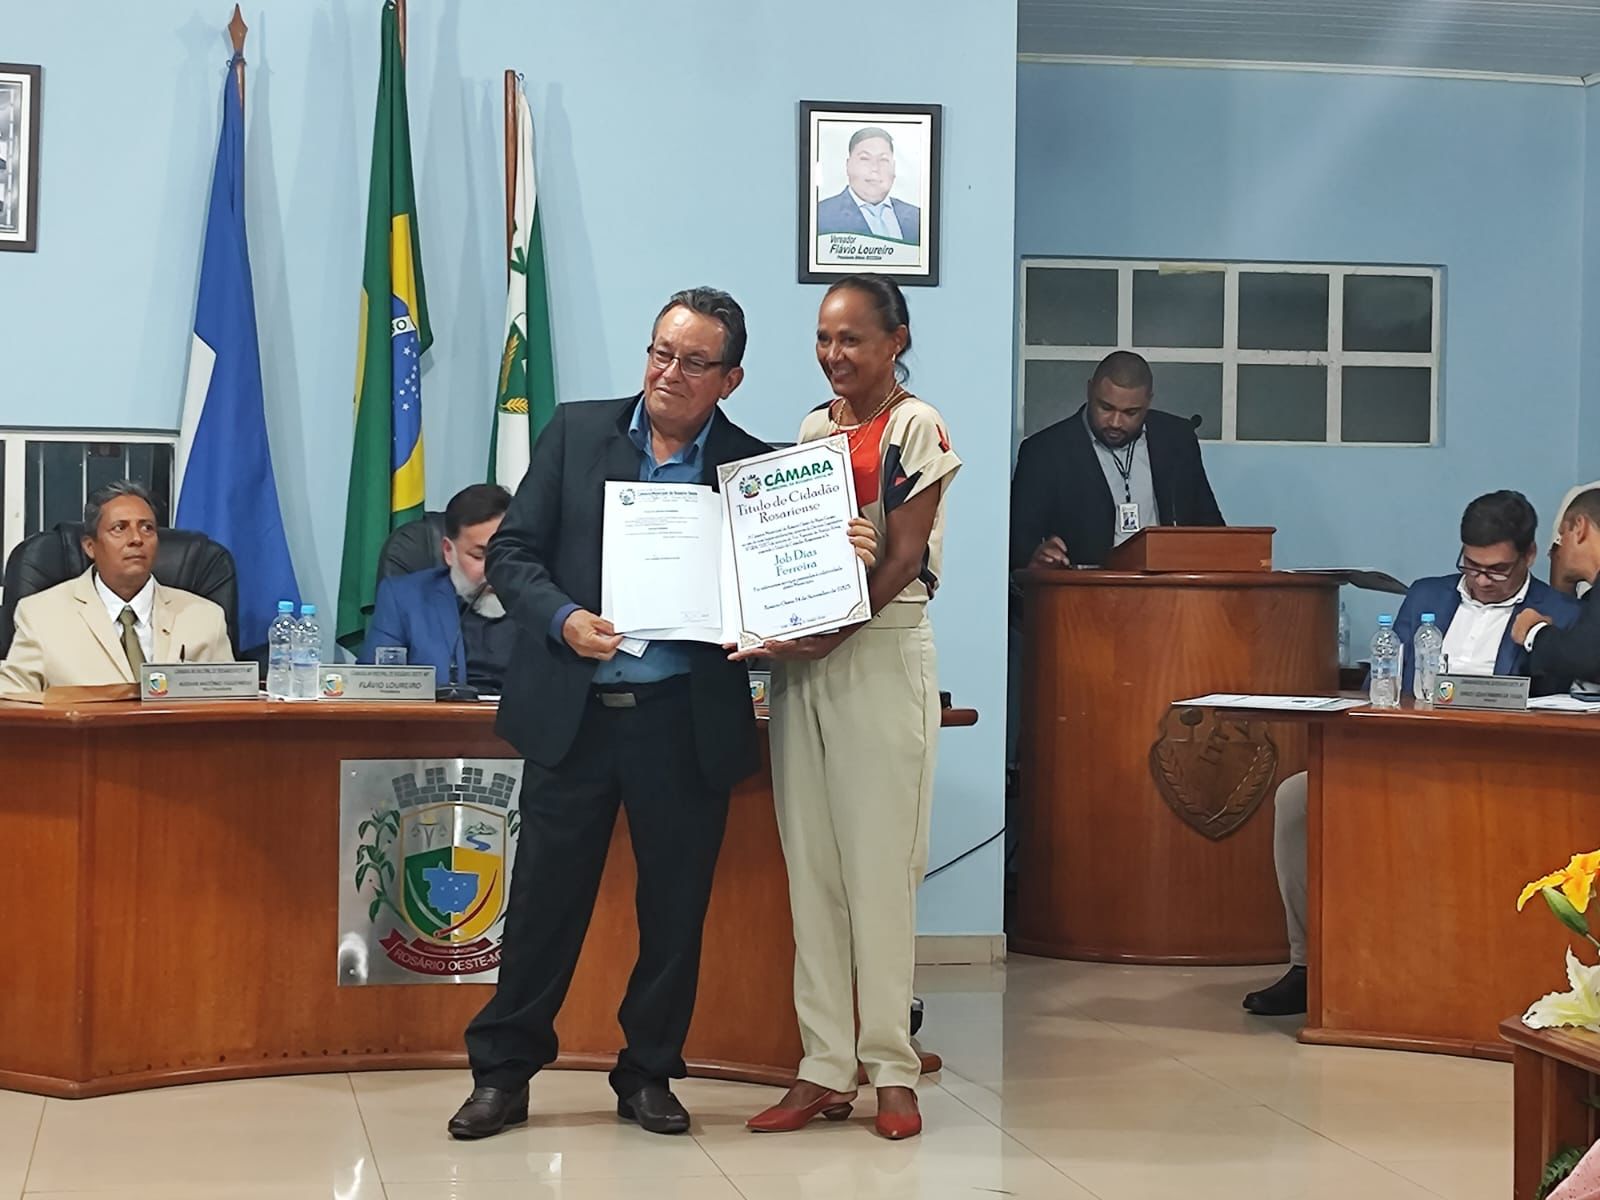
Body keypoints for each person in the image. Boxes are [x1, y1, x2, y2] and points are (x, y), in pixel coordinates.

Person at [447, 288, 875, 1141]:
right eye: (660, 353)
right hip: (575, 715)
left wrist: (846, 551)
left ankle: (647, 1073)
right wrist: (565, 619)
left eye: (694, 362)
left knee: (674, 915)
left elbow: (791, 593)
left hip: (681, 720)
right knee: (542, 907)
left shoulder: (756, 471)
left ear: (731, 378)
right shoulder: (577, 432)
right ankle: (502, 1074)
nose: (669, 373)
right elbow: (514, 553)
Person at [737, 274, 958, 1142]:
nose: (834, 354)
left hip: (877, 646)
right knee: (814, 871)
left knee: (880, 871)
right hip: (805, 661)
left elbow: (901, 558)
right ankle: (824, 1066)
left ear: (896, 340)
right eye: (824, 338)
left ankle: (892, 1070)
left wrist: (835, 618)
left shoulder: (916, 425)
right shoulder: (811, 432)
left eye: (852, 338)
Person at [1244, 490, 1581, 1017]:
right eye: (1471, 566)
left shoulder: (1559, 614)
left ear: (1529, 555)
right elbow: (1386, 683)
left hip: (1498, 771)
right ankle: (1310, 965)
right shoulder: (1429, 594)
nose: (1481, 581)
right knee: (1297, 797)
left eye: (1496, 570)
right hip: (1404, 756)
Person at [0, 481, 233, 694]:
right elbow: (12, 702)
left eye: (147, 528)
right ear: (90, 546)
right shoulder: (41, 615)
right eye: (119, 528)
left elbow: (230, 705)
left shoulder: (205, 617)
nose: (136, 539)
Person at [1010, 351, 1223, 571]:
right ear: (1089, 390)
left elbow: (1213, 532)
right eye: (1106, 407)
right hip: (1086, 588)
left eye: (1131, 412)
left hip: (1168, 586)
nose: (1115, 422)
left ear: (1148, 401)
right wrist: (1039, 558)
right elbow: (1018, 549)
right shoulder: (1044, 452)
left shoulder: (1177, 440)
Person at [361, 483, 514, 690]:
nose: (494, 569)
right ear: (448, 551)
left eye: (504, 552)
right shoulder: (403, 598)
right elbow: (372, 688)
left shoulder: (545, 599)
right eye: (479, 556)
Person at [1516, 487, 1600, 688]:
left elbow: (1588, 659)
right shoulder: (1591, 598)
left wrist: (1534, 631)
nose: (1559, 553)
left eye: (1561, 536)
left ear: (1579, 527)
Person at [815, 126, 922, 244]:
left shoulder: (918, 218)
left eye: (883, 160)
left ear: (894, 167)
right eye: (865, 159)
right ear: (848, 165)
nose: (875, 168)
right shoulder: (820, 215)